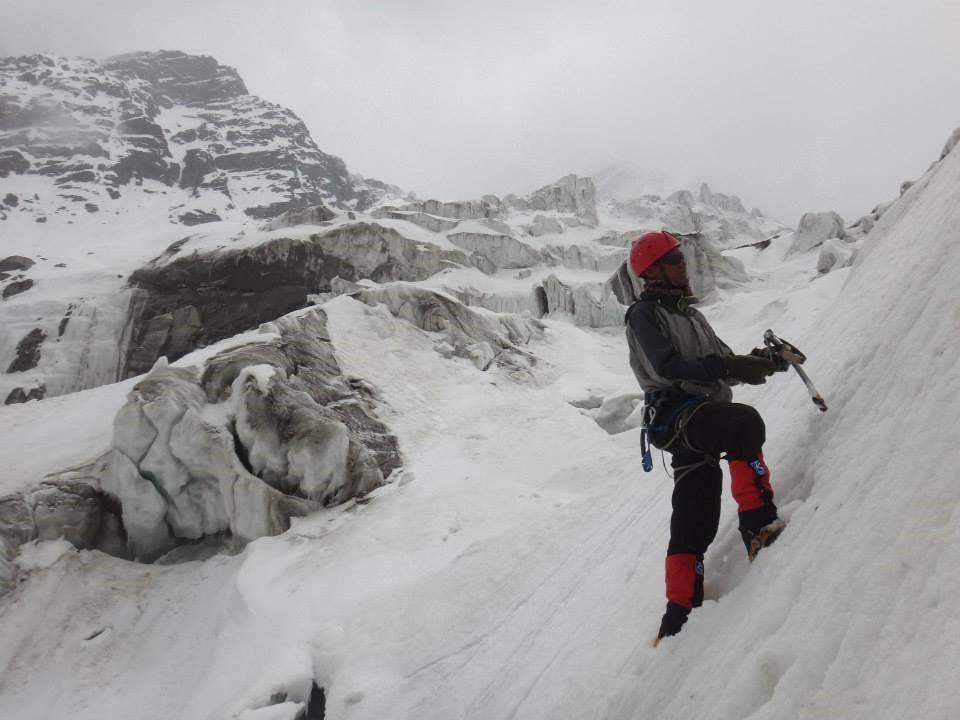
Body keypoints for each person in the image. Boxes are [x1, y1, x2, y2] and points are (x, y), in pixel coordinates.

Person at [624, 230, 787, 644]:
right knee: (742, 423)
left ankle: (678, 613)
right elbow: (667, 365)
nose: (683, 263)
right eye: (674, 258)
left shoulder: (692, 316)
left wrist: (763, 362)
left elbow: (724, 363)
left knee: (695, 510)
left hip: (695, 416)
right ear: (653, 270)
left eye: (681, 256)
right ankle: (757, 525)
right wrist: (729, 365)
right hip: (677, 413)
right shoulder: (644, 314)